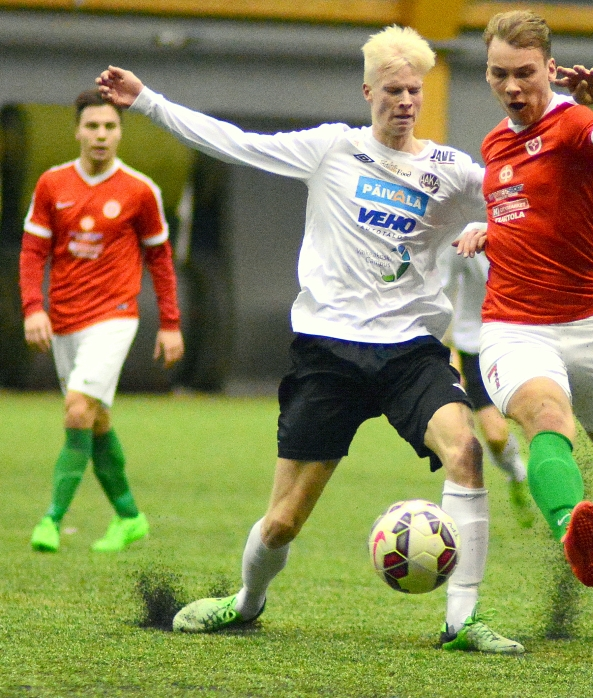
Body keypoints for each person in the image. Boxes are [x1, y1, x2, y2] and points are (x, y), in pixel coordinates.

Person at [97, 26, 526, 654]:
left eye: (415, 89)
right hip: (329, 353)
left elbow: (524, 209)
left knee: (465, 453)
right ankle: (245, 603)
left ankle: (462, 620)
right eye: (393, 89)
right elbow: (234, 143)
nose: (406, 100)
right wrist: (147, 101)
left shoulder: (452, 171)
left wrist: (493, 229)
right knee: (283, 521)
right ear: (367, 91)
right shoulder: (330, 149)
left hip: (411, 351)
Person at [456, 10, 593, 636]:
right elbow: (533, 211)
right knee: (547, 416)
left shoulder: (578, 124)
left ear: (550, 68)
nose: (512, 86)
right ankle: (573, 525)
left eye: (523, 73)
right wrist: (489, 230)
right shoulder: (494, 144)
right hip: (514, 325)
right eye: (498, 74)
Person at [21, 89, 185, 553]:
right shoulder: (52, 184)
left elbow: (161, 259)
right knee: (94, 420)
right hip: (65, 319)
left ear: (120, 132)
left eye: (110, 126)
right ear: (77, 131)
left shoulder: (139, 190)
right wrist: (34, 307)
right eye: (92, 126)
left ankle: (51, 521)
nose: (101, 135)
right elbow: (33, 252)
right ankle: (130, 517)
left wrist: (170, 323)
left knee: (76, 408)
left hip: (114, 317)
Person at [438, 241, 535, 528]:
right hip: (477, 344)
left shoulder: (529, 222)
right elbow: (442, 288)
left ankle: (559, 507)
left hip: (527, 339)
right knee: (494, 436)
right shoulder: (463, 234)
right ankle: (518, 473)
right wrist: (445, 348)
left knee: (539, 422)